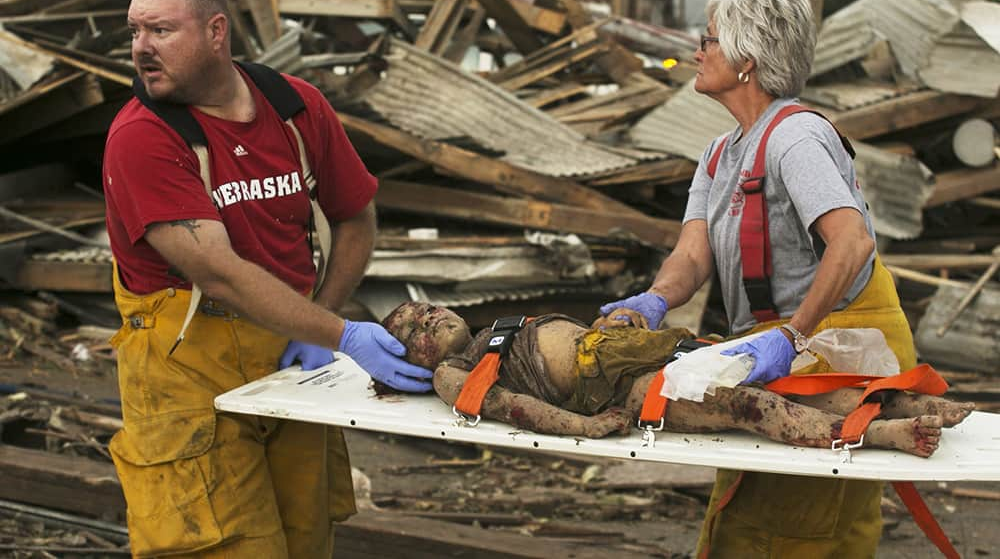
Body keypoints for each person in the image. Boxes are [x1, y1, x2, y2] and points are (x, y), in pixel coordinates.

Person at [102, 0, 432, 557]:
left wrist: (323, 323)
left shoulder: (293, 107)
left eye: (160, 31)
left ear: (216, 31)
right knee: (225, 546)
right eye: (134, 32)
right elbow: (218, 274)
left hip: (289, 357)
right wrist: (343, 333)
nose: (141, 49)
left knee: (307, 536)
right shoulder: (143, 137)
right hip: (185, 374)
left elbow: (356, 215)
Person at [600, 0, 921, 557]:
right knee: (750, 502)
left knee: (800, 524)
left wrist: (792, 336)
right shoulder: (719, 153)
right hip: (783, 345)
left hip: (845, 345)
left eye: (711, 40)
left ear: (747, 60)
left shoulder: (796, 138)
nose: (698, 51)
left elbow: (851, 244)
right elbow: (693, 254)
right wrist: (652, 299)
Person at [381, 301, 971, 456]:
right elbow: (514, 408)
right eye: (415, 328)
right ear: (416, 358)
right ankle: (880, 434)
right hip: (620, 391)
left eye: (426, 308)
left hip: (643, 352)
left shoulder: (500, 329)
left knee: (789, 382)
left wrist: (625, 318)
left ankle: (911, 407)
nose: (428, 317)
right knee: (750, 406)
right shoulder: (455, 375)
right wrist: (586, 427)